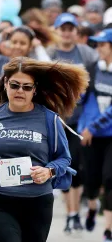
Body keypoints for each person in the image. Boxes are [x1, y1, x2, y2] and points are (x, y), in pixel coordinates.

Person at [0, 57, 88, 242]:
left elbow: (64, 158)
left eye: (27, 87)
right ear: (5, 84)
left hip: (37, 201)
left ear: (34, 90)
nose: (20, 91)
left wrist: (48, 171)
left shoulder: (50, 119)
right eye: (15, 85)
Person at [48, 12, 99, 234]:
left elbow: (95, 87)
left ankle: (75, 212)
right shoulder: (49, 54)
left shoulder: (87, 54)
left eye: (71, 29)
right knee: (62, 166)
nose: (67, 33)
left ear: (77, 32)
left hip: (79, 120)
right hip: (55, 119)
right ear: (57, 31)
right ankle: (71, 215)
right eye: (63, 28)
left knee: (78, 166)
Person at [78, 29, 112, 241]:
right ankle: (92, 206)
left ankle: (109, 229)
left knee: (110, 179)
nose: (98, 48)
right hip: (90, 135)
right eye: (97, 45)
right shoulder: (91, 69)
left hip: (108, 135)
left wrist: (93, 127)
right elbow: (81, 101)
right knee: (91, 181)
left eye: (102, 44)